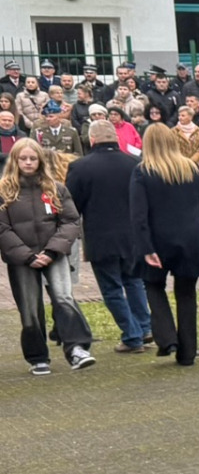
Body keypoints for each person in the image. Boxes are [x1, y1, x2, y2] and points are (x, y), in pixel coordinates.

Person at [0, 140, 94, 373]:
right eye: (24, 159)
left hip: (54, 254)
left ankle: (76, 349)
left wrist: (52, 251)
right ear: (16, 160)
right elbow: (2, 228)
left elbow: (70, 221)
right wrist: (27, 255)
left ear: (40, 160)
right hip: (22, 259)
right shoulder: (4, 191)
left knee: (63, 298)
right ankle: (37, 357)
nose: (29, 163)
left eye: (33, 158)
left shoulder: (56, 188)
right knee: (30, 308)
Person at [130, 126, 199, 367]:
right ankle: (188, 352)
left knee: (153, 285)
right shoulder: (191, 169)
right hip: (192, 238)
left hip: (159, 240)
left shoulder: (143, 172)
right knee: (187, 294)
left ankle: (167, 337)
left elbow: (138, 215)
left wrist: (146, 247)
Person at [65, 121, 152, 354]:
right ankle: (144, 328)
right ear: (115, 137)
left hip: (100, 237)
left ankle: (132, 336)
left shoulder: (80, 167)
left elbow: (71, 205)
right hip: (132, 236)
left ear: (91, 139)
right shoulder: (135, 164)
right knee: (134, 283)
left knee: (111, 288)